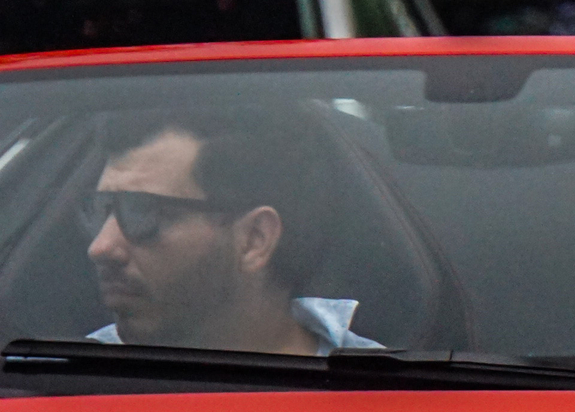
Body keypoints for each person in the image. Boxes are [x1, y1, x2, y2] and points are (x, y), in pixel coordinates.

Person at [84, 109, 378, 355]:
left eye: (143, 212)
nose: (100, 247)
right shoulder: (61, 387)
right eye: (101, 208)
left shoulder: (388, 400)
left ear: (254, 240)